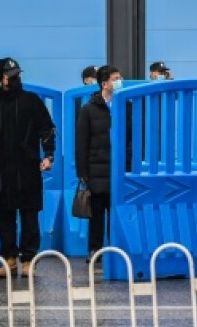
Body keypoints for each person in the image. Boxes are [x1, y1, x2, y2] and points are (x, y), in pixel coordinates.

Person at [0, 58, 56, 278]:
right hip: (0, 169)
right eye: (10, 75)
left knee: (29, 215)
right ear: (0, 79)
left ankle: (28, 259)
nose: (16, 78)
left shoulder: (32, 101)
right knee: (3, 215)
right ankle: (9, 258)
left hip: (27, 167)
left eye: (17, 74)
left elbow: (47, 128)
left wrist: (49, 155)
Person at [75, 65, 122, 263]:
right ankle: (95, 251)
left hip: (118, 170)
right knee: (97, 215)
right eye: (116, 78)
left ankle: (116, 252)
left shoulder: (124, 106)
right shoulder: (88, 110)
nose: (120, 81)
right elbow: (81, 142)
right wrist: (82, 172)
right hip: (96, 170)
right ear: (104, 84)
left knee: (118, 213)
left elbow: (130, 140)